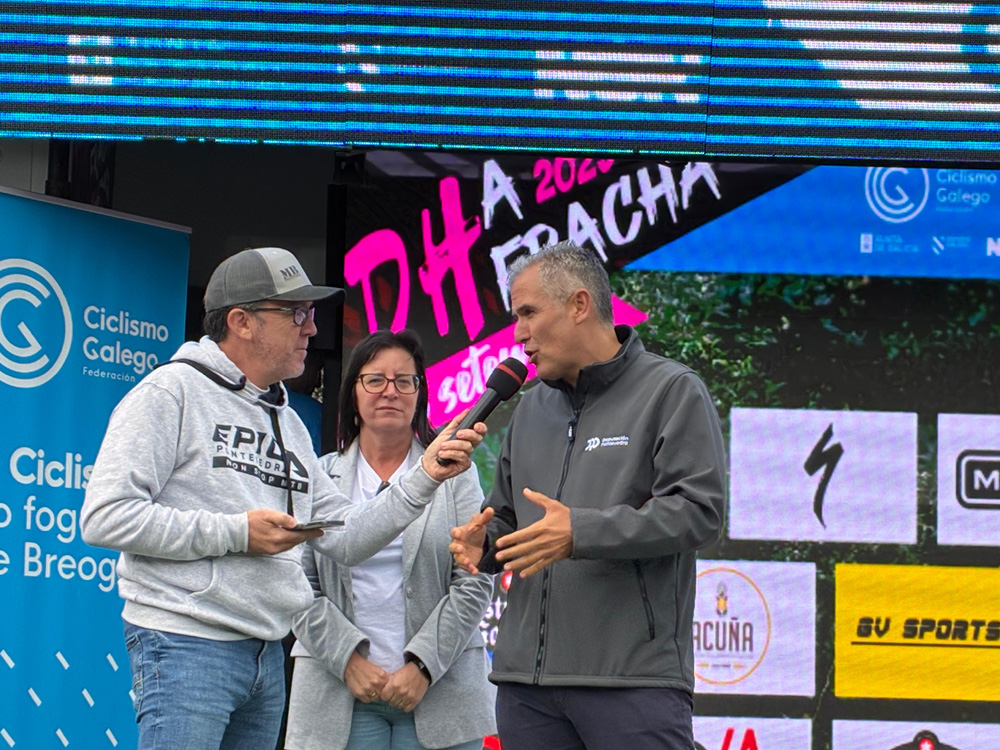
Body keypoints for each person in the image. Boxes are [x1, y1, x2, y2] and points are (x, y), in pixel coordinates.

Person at [81, 246, 485, 750]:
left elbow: (348, 537)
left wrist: (425, 475)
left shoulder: (289, 423)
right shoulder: (171, 392)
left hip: (265, 654)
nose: (311, 328)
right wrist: (237, 532)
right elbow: (105, 516)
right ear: (241, 322)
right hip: (186, 643)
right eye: (296, 313)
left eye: (310, 314)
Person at [449, 241, 726, 750]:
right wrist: (485, 544)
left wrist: (581, 531)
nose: (519, 334)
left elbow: (698, 512)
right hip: (525, 686)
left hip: (630, 681)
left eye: (528, 313)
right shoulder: (530, 408)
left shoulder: (671, 390)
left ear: (579, 304)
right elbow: (509, 519)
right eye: (516, 317)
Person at [286, 329, 496, 750]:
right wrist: (347, 660)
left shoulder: (456, 475)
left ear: (420, 393)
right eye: (375, 380)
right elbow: (294, 584)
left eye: (404, 381)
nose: (390, 391)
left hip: (441, 688)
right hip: (338, 689)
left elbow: (474, 579)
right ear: (353, 392)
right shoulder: (319, 475)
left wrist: (422, 665)